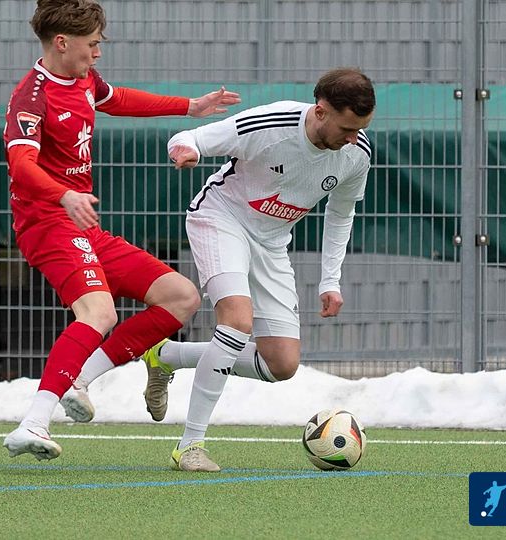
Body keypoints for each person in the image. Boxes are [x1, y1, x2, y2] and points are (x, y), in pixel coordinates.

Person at [68, 68, 375, 472]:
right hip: (221, 219)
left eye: (360, 129)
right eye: (347, 128)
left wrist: (330, 280)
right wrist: (187, 151)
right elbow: (189, 138)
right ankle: (190, 446)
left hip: (272, 243)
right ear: (320, 111)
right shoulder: (272, 124)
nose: (353, 138)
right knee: (236, 322)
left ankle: (166, 355)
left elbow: (341, 214)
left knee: (281, 364)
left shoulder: (357, 152)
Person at [1, 0, 240, 460]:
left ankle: (82, 378)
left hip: (81, 225)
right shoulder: (31, 97)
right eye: (92, 44)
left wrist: (189, 107)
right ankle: (32, 422)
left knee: (181, 296)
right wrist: (63, 195)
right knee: (99, 313)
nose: (98, 53)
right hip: (48, 224)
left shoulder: (84, 79)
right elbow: (21, 163)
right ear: (61, 43)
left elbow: (119, 99)